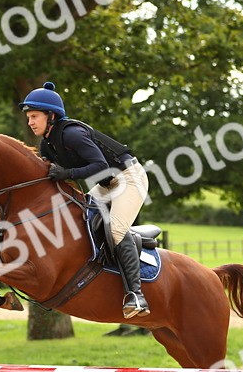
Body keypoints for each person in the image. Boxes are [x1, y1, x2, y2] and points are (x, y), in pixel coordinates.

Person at [21, 81, 151, 318]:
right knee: (78, 219)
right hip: (106, 184)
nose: (30, 122)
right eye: (29, 117)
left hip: (129, 178)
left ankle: (136, 295)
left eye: (35, 116)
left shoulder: (72, 133)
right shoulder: (47, 144)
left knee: (116, 230)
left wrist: (68, 173)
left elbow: (100, 165)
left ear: (51, 116)